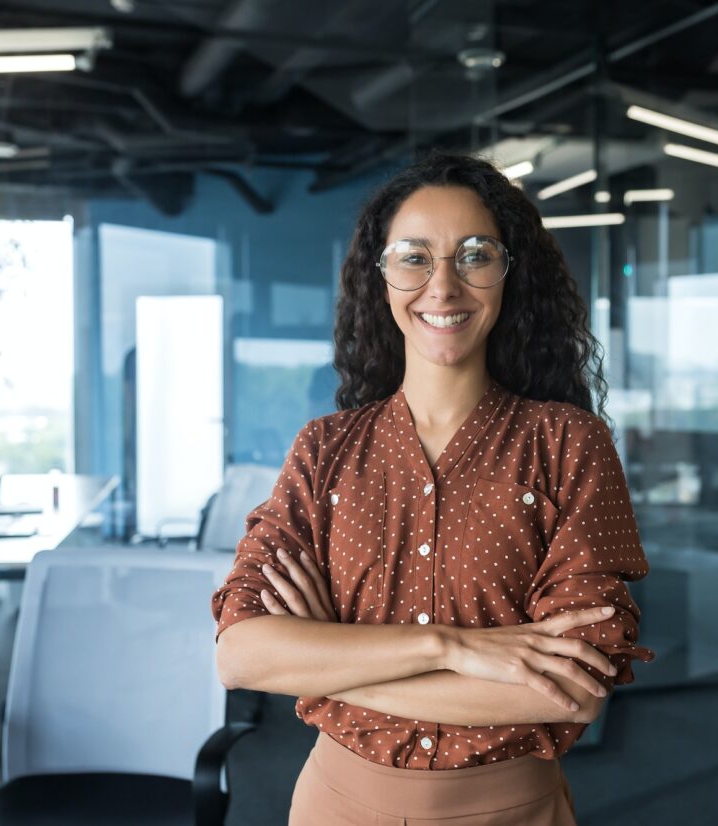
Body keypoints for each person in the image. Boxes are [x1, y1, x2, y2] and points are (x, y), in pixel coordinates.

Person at [211, 152, 654, 825]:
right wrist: (451, 647)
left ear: (509, 274)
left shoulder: (568, 444)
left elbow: (570, 688)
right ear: (381, 277)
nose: (442, 287)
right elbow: (241, 654)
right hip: (335, 805)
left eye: (475, 255)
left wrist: (329, 653)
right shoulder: (323, 449)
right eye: (414, 257)